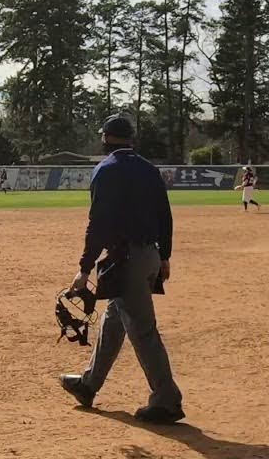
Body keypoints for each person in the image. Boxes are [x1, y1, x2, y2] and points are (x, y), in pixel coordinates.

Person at [59, 115, 184, 425]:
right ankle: (89, 384)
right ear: (131, 139)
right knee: (114, 321)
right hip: (149, 257)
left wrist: (84, 268)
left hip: (125, 260)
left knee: (142, 330)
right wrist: (164, 257)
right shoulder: (149, 169)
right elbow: (165, 216)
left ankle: (167, 400)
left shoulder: (105, 170)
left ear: (106, 139)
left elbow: (98, 225)